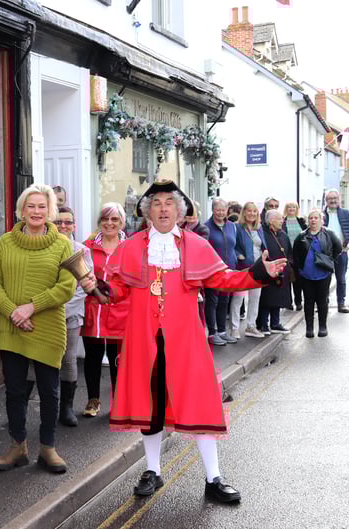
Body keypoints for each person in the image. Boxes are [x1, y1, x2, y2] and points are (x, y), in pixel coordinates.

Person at [81, 180, 286, 504]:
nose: (162, 208)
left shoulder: (194, 246)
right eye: (156, 203)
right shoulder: (132, 247)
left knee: (201, 402)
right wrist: (102, 290)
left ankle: (213, 477)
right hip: (143, 343)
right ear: (148, 212)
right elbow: (118, 289)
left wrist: (259, 271)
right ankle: (152, 470)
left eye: (168, 202)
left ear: (179, 210)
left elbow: (224, 278)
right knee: (151, 408)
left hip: (186, 342)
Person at [0, 184, 75, 474]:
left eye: (41, 206)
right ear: (21, 210)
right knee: (14, 390)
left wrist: (31, 307)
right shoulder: (5, 242)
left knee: (50, 391)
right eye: (31, 206)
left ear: (50, 210)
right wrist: (14, 312)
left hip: (47, 327)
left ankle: (48, 448)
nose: (36, 212)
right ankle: (18, 447)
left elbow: (67, 286)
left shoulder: (63, 244)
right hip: (11, 326)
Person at [81, 203, 129, 418]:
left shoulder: (131, 247)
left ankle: (118, 402)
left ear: (122, 223)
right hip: (93, 309)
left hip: (121, 310)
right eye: (105, 219)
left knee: (117, 357)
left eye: (114, 220)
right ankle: (93, 399)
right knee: (92, 356)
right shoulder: (87, 247)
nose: (109, 223)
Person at [53, 206, 90, 426]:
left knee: (68, 359)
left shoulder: (82, 251)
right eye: (58, 222)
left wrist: (60, 309)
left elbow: (83, 286)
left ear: (74, 226)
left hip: (70, 315)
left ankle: (66, 407)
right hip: (44, 315)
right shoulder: (46, 248)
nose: (63, 226)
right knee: (34, 361)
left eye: (67, 222)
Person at [293, 209, 342, 337]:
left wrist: (329, 260)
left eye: (316, 218)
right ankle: (309, 328)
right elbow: (295, 254)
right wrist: (299, 268)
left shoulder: (329, 233)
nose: (313, 220)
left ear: (321, 220)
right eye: (311, 218)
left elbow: (338, 248)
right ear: (307, 220)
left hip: (323, 274)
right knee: (308, 301)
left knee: (322, 301)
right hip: (306, 275)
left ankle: (322, 327)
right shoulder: (301, 235)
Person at [204, 199, 238, 346]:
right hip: (212, 270)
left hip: (229, 269)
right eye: (218, 210)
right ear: (213, 210)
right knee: (212, 301)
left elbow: (233, 246)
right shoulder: (206, 227)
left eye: (223, 210)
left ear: (227, 211)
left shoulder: (232, 227)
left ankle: (223, 331)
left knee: (225, 300)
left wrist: (235, 260)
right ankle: (212, 332)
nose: (220, 213)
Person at [232, 202, 266, 339]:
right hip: (243, 268)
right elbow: (232, 245)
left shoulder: (259, 228)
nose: (252, 213)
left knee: (255, 298)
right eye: (249, 211)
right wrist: (239, 255)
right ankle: (234, 328)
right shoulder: (237, 227)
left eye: (254, 211)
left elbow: (262, 245)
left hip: (258, 268)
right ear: (244, 212)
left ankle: (251, 326)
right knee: (238, 298)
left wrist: (265, 252)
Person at [257, 210, 292, 335]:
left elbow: (289, 252)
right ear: (271, 221)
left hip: (282, 272)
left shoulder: (283, 234)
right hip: (268, 271)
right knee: (267, 299)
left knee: (278, 298)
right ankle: (263, 324)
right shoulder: (263, 234)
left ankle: (275, 323)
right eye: (279, 219)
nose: (282, 221)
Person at [323, 189, 349, 313]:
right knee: (324, 279)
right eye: (330, 198)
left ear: (339, 199)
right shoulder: (321, 215)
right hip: (325, 253)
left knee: (341, 279)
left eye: (335, 198)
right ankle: (324, 302)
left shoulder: (346, 213)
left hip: (342, 252)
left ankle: (341, 303)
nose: (333, 200)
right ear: (326, 201)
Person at [283, 202, 307, 311]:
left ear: (297, 209)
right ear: (286, 209)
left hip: (299, 254)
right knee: (287, 278)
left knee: (298, 279)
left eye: (294, 207)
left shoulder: (301, 221)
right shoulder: (282, 221)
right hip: (286, 253)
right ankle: (288, 302)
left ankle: (298, 302)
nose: (291, 209)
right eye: (289, 207)